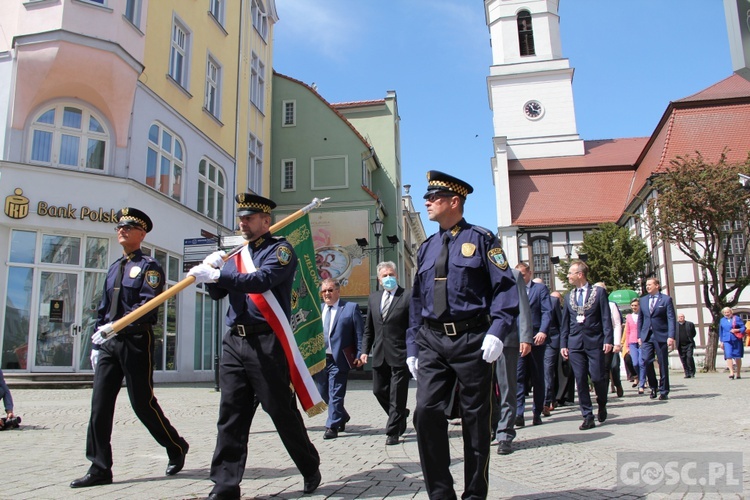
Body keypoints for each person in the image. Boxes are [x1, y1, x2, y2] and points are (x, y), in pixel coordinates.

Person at [187, 194, 321, 498]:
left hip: (266, 341)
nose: (242, 223)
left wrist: (220, 274)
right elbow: (218, 295)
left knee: (280, 411)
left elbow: (261, 280)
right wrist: (210, 276)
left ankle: (309, 465)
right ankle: (225, 485)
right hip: (235, 339)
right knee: (231, 412)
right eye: (241, 218)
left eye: (249, 218)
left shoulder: (281, 250)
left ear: (265, 221)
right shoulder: (236, 254)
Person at [406, 170, 518, 499]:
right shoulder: (426, 248)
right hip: (432, 341)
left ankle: (474, 495)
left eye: (434, 197)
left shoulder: (482, 240)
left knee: (476, 421)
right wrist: (413, 345)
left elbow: (505, 288)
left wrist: (497, 331)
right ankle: (441, 494)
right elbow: (416, 300)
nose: (427, 202)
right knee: (425, 412)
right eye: (426, 197)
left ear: (454, 202)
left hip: (472, 340)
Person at [71, 208, 189, 488]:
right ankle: (99, 467)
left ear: (142, 234)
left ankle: (175, 445)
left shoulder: (150, 267)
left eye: (129, 227)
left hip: (136, 340)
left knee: (142, 402)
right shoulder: (114, 267)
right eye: (120, 227)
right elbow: (103, 307)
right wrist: (97, 338)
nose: (122, 230)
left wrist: (118, 326)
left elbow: (147, 306)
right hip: (109, 343)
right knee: (99, 406)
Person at [360, 262, 411, 446]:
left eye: (391, 274)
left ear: (396, 276)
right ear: (379, 280)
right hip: (380, 353)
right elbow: (369, 329)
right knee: (378, 391)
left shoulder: (407, 296)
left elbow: (413, 327)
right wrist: (364, 351)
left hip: (401, 353)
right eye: (384, 276)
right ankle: (400, 414)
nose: (388, 278)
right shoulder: (374, 299)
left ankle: (393, 432)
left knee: (397, 394)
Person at [560, 261, 613, 431]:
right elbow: (565, 323)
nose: (568, 276)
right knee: (580, 379)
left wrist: (608, 339)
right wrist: (564, 344)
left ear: (580, 274)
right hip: (575, 343)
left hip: (595, 341)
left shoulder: (599, 293)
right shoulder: (569, 296)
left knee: (597, 377)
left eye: (571, 273)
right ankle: (587, 415)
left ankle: (602, 402)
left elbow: (605, 317)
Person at [314, 278, 364, 440]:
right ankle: (342, 415)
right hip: (321, 360)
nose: (327, 294)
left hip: (339, 359)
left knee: (335, 392)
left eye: (330, 290)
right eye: (324, 291)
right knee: (323, 393)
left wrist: (360, 354)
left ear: (338, 291)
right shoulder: (318, 309)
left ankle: (332, 426)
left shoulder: (350, 308)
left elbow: (359, 334)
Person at [492, 267, 533, 455]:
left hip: (507, 339)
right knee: (483, 390)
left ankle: (505, 434)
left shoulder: (513, 274)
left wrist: (525, 337)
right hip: (480, 340)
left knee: (507, 387)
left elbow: (523, 307)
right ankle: (489, 428)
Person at [514, 262, 552, 427]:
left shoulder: (539, 289)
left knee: (537, 377)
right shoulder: (513, 291)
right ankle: (519, 413)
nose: (520, 278)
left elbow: (546, 311)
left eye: (522, 275)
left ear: (529, 273)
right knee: (518, 376)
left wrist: (543, 331)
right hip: (519, 340)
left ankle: (537, 412)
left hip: (536, 338)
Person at [638, 277, 676, 400]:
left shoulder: (666, 300)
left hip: (661, 335)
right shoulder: (643, 300)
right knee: (646, 360)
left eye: (650, 284)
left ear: (657, 285)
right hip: (647, 335)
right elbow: (641, 319)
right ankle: (653, 386)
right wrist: (639, 336)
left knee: (662, 362)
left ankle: (664, 389)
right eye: (646, 285)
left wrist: (671, 336)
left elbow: (671, 318)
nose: (647, 287)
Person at [594, 283, 623, 398]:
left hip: (609, 341)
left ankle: (616, 385)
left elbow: (617, 324)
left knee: (612, 366)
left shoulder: (611, 305)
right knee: (598, 369)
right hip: (596, 341)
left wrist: (617, 343)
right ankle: (601, 393)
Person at [543, 290, 562, 414]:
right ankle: (549, 398)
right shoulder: (525, 296)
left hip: (551, 340)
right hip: (533, 340)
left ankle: (546, 402)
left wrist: (564, 344)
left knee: (548, 371)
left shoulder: (553, 301)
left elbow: (561, 323)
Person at [623, 299, 646, 394]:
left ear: (639, 306)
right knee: (635, 363)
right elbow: (627, 331)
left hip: (641, 341)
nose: (634, 307)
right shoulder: (629, 317)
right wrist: (627, 345)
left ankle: (641, 384)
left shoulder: (643, 316)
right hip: (632, 342)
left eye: (635, 305)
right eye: (632, 305)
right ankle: (639, 377)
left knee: (642, 363)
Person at [719, 307, 745, 379]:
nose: (727, 314)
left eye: (728, 312)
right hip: (726, 340)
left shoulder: (736, 318)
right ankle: (731, 372)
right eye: (725, 312)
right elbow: (721, 331)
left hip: (736, 339)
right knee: (728, 355)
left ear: (731, 312)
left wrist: (737, 330)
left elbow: (743, 328)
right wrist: (721, 342)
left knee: (737, 356)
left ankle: (738, 373)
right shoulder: (722, 320)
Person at [676, 313, 697, 378]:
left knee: (689, 357)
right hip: (680, 345)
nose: (681, 318)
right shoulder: (675, 325)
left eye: (682, 317)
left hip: (689, 344)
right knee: (683, 359)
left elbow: (693, 333)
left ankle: (692, 372)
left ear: (684, 317)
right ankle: (687, 373)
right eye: (679, 317)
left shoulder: (690, 324)